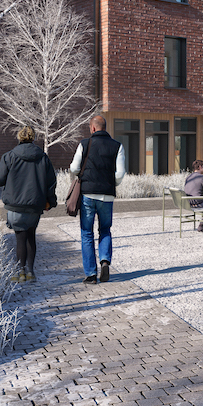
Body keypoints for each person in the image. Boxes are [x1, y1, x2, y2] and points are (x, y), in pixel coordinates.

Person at [0, 126, 57, 283]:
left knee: (20, 238)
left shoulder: (9, 156)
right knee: (31, 236)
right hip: (35, 205)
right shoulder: (43, 158)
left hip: (15, 204)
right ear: (33, 138)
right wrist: (51, 201)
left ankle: (19, 271)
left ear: (19, 137)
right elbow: (51, 182)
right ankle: (30, 271)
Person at [72, 114, 127, 283]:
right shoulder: (117, 146)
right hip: (107, 195)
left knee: (86, 233)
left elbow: (74, 167)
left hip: (88, 193)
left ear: (93, 128)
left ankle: (91, 274)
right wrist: (111, 183)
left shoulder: (85, 144)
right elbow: (120, 173)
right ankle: (104, 261)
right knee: (105, 229)